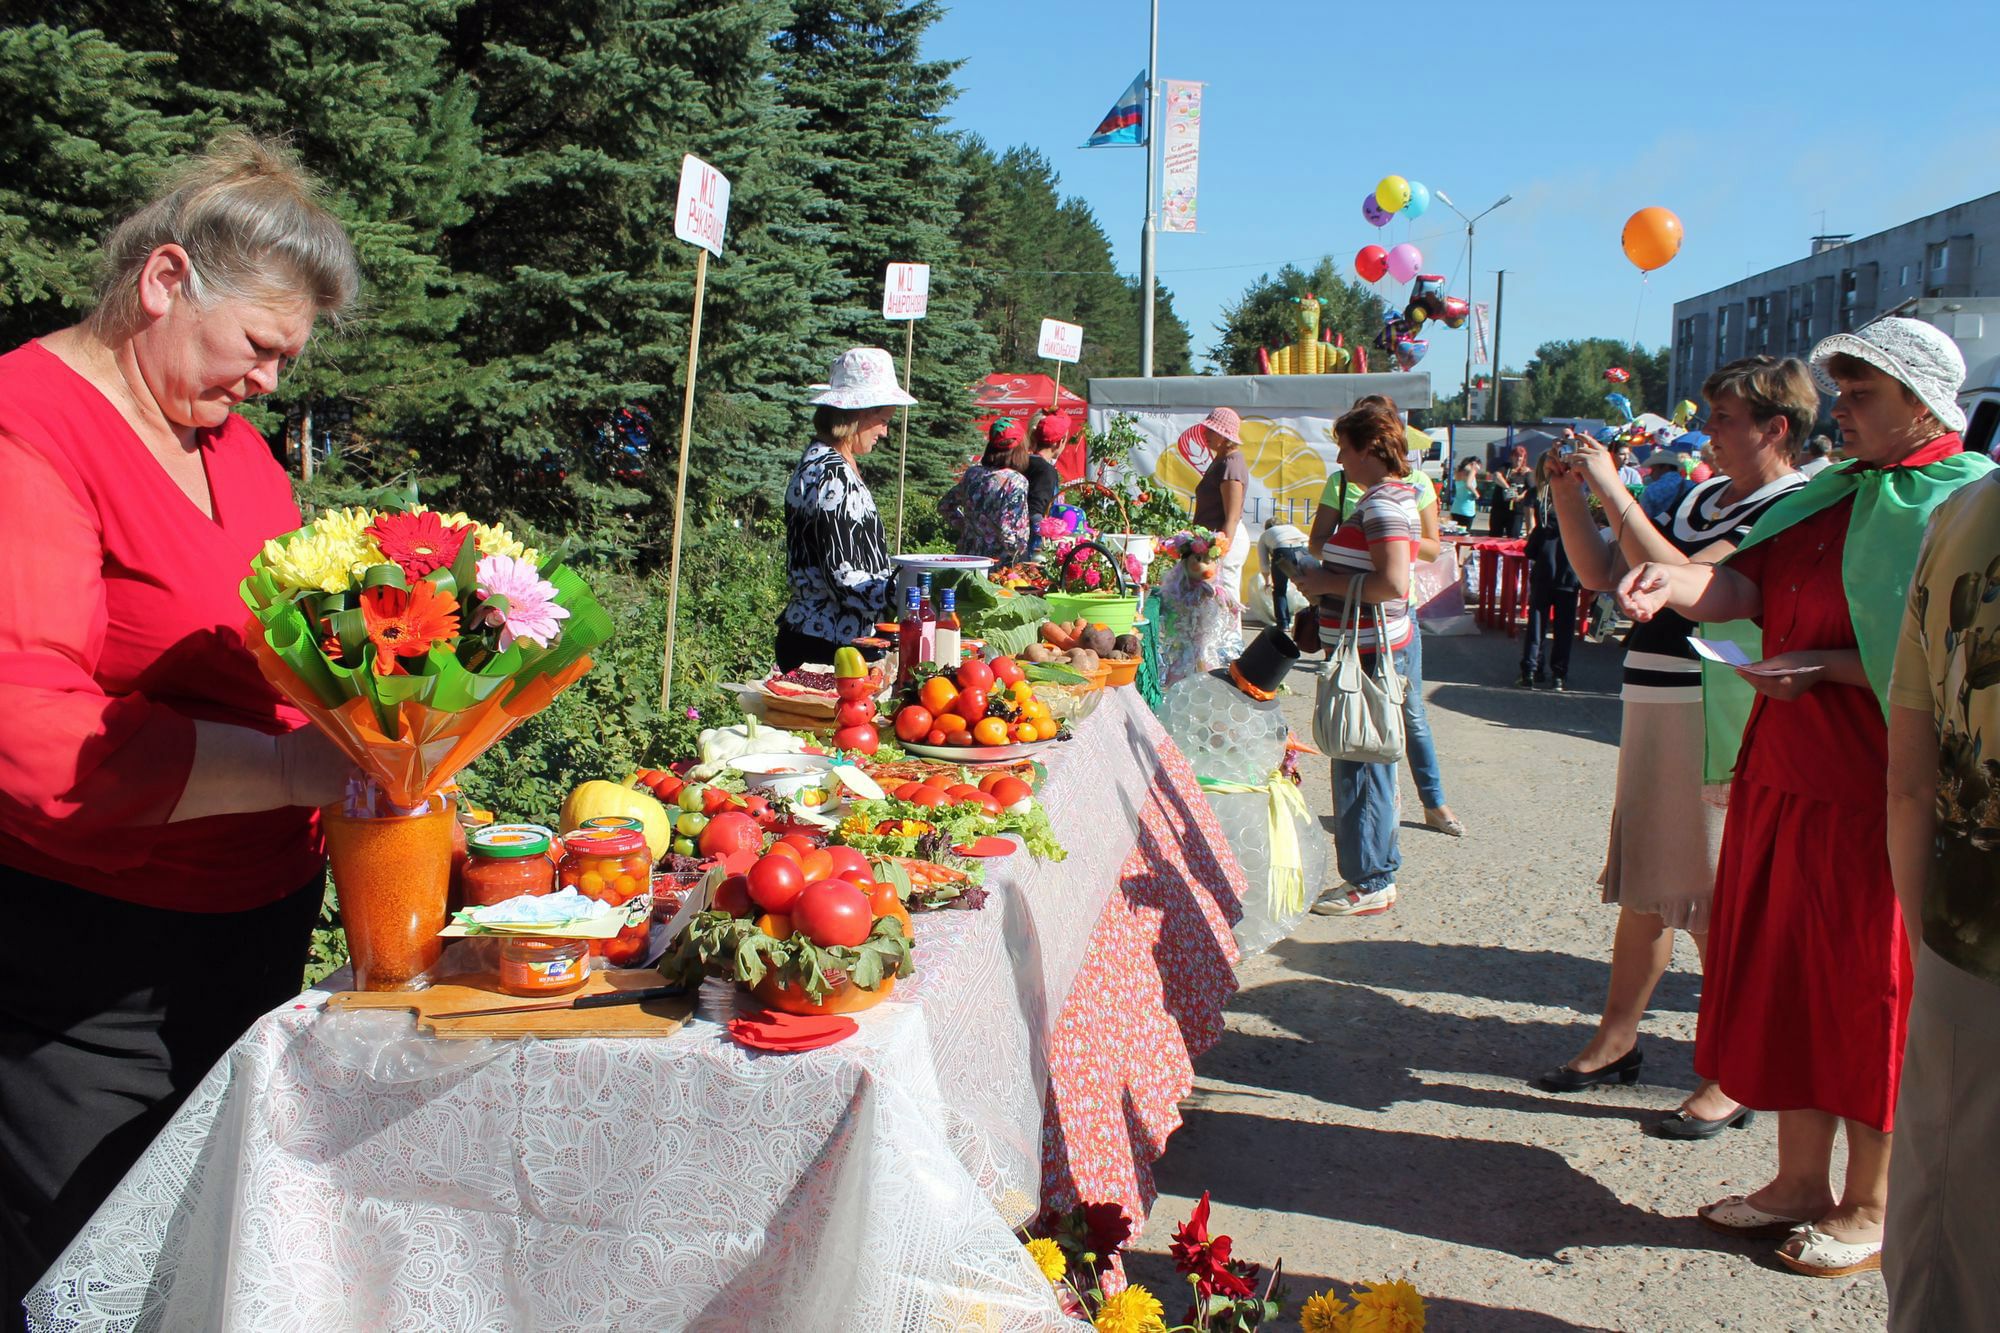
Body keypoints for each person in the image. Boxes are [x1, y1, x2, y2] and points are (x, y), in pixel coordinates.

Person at [0, 134, 362, 1324]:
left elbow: (287, 633)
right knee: (83, 1267)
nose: (269, 383)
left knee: (210, 1263)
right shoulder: (28, 425)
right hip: (96, 973)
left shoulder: (236, 447)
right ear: (163, 282)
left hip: (248, 938)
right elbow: (32, 735)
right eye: (258, 347)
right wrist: (288, 766)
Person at [1616, 317, 1993, 1276]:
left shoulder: (1959, 502)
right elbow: (1744, 584)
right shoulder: (1830, 491)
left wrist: (1825, 664)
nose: (1842, 411)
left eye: (1863, 396)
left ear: (1922, 402)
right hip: (1784, 771)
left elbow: (1958, 667)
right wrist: (1675, 578)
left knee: (1866, 987)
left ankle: (1870, 1201)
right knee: (1784, 974)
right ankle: (1797, 1181)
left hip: (1878, 789)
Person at [1535, 357, 1812, 1140]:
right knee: (1650, 886)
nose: (1709, 431)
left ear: (1775, 427)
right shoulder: (1694, 495)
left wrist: (1615, 487)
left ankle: (1734, 1070)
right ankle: (1617, 1040)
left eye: (1725, 418)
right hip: (1657, 698)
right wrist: (1568, 490)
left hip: (1720, 709)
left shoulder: (1792, 503)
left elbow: (1689, 581)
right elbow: (1601, 570)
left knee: (1714, 896)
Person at [1884, 470, 2000, 1329]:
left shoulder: (1967, 510)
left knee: (1955, 1215)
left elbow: (1911, 777)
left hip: (1975, 920)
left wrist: (1928, 925)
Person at [1288, 402, 1419, 915]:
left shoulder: (1383, 504)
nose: (1339, 457)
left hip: (1366, 653)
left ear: (1368, 448)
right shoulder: (1384, 499)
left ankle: (1369, 880)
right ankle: (1377, 869)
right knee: (1368, 763)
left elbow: (1393, 583)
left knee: (1360, 764)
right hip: (1363, 647)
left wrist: (1323, 583)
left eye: (1344, 446)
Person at [1310, 397, 1462, 837]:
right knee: (1359, 724)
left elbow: (1424, 551)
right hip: (1355, 622)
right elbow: (1320, 541)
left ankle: (1428, 805)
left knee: (1402, 717)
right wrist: (1352, 549)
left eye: (1345, 445)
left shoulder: (1402, 492)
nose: (1339, 456)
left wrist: (1387, 540)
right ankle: (1372, 825)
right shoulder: (1343, 483)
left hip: (1391, 618)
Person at [778, 346, 913, 670]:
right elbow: (844, 578)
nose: (885, 431)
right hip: (828, 646)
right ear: (855, 417)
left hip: (830, 641)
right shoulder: (832, 474)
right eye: (882, 420)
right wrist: (913, 594)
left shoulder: (825, 461)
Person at [1516, 447, 1580, 690]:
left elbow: (1531, 549)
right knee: (1564, 628)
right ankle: (1559, 675)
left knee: (1537, 624)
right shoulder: (1577, 502)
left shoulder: (1541, 502)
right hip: (1569, 573)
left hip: (1545, 571)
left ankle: (1531, 671)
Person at [940, 418, 1031, 563]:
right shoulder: (1016, 481)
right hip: (998, 562)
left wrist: (967, 529)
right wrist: (1022, 555)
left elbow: (945, 506)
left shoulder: (973, 474)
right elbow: (1007, 531)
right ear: (1020, 448)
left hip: (968, 557)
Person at [1191, 406, 1250, 616]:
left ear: (1225, 435)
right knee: (1213, 604)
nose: (1205, 434)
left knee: (1225, 601)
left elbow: (1232, 517)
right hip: (1215, 539)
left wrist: (1219, 554)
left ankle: (1231, 649)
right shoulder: (1221, 460)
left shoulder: (1231, 464)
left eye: (1211, 430)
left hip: (1225, 540)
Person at [1023, 414, 1066, 557]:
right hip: (1033, 548)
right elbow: (1035, 511)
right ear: (1059, 443)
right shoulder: (1046, 471)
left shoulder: (1024, 462)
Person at [1258, 517, 1311, 625]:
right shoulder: (1292, 528)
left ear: (1267, 528)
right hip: (1304, 549)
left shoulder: (1265, 535)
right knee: (1310, 586)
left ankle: (1283, 623)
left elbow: (1264, 563)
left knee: (1279, 590)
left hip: (1283, 550)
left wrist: (1268, 583)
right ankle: (1315, 618)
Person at [1638, 449, 1692, 521]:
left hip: (1658, 530)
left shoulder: (1652, 490)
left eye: (1654, 469)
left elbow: (1643, 518)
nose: (1651, 474)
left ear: (1665, 467)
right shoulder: (1691, 485)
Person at [1446, 456, 1481, 527]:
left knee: (1455, 534)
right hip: (1467, 509)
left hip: (1455, 509)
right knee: (1465, 534)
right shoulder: (1471, 471)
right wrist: (1476, 494)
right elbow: (1468, 484)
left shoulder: (1458, 471)